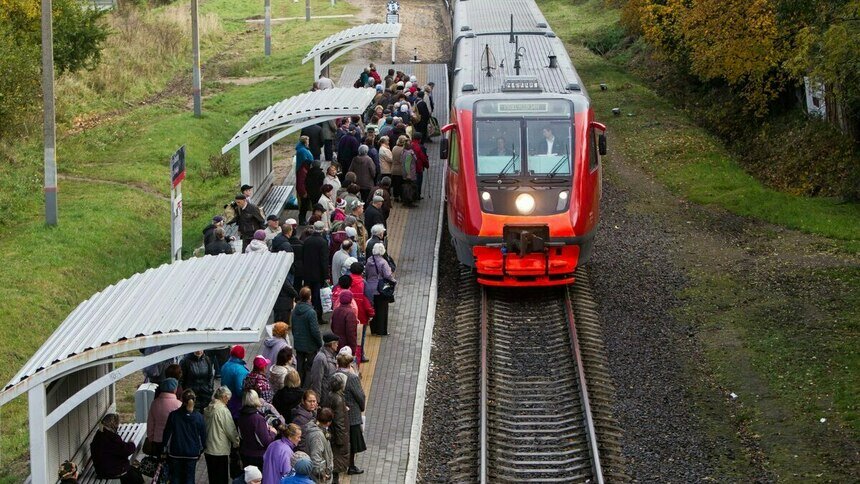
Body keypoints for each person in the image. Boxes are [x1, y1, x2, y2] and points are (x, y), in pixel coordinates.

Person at [163, 390, 207, 484]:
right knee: (190, 478)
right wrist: (202, 449)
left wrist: (164, 448)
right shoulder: (199, 417)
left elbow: (167, 433)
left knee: (175, 477)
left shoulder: (174, 415)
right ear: (194, 401)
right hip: (192, 452)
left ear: (182, 400)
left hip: (176, 451)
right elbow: (203, 435)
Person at [90, 414, 144, 484]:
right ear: (113, 424)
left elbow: (118, 448)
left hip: (102, 469)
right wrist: (132, 444)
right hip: (110, 471)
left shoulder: (100, 434)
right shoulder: (110, 437)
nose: (117, 426)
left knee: (134, 471)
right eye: (117, 424)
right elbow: (127, 450)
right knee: (134, 477)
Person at [336, 354, 366, 475]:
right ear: (349, 364)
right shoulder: (352, 378)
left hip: (339, 413)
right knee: (353, 442)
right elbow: (360, 395)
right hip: (352, 414)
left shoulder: (335, 375)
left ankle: (341, 464)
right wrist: (362, 407)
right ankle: (351, 466)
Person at [204, 386, 240, 484]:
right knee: (222, 478)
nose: (228, 401)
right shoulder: (223, 411)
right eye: (228, 398)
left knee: (212, 477)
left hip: (209, 447)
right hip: (220, 449)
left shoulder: (209, 407)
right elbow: (230, 429)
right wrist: (236, 441)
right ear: (223, 397)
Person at [237, 390, 276, 469]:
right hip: (258, 457)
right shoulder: (257, 418)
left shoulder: (241, 416)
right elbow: (265, 441)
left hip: (246, 453)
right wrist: (273, 433)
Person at [323, 373, 350, 483]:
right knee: (337, 462)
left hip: (331, 433)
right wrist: (341, 440)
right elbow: (339, 422)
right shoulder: (338, 399)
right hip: (337, 437)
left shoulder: (330, 395)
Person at [291, 287, 322, 382]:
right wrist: (319, 343)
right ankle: (308, 387)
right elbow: (315, 330)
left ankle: (298, 384)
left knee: (299, 366)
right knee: (311, 367)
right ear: (310, 297)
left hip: (299, 344)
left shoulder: (295, 310)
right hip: (310, 345)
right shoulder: (311, 312)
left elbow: (293, 327)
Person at [302, 221, 331, 322]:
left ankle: (306, 315)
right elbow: (324, 260)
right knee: (317, 296)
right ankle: (318, 317)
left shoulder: (307, 240)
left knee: (307, 295)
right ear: (322, 229)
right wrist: (326, 275)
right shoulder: (323, 242)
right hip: (318, 274)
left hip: (307, 273)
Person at [146, 377, 182, 456]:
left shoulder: (155, 403)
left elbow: (150, 423)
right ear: (174, 389)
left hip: (158, 439)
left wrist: (151, 438)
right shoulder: (179, 405)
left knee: (160, 464)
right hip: (174, 440)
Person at [366, 243, 395, 336]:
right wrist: (393, 281)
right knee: (382, 310)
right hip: (380, 288)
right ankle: (381, 331)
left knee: (373, 309)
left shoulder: (369, 260)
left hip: (370, 288)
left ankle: (373, 330)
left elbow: (366, 273)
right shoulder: (383, 262)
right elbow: (388, 275)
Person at [304, 408, 334, 484]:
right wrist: (322, 474)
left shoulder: (319, 428)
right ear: (328, 422)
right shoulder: (317, 436)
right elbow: (316, 457)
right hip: (320, 478)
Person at [306, 333, 339, 402]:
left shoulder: (332, 354)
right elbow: (316, 380)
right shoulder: (320, 358)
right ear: (332, 344)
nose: (337, 345)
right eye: (336, 343)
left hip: (329, 393)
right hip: (324, 395)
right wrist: (317, 399)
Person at [220, 345, 250, 417]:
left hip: (225, 398)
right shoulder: (241, 371)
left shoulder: (225, 365)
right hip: (235, 403)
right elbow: (239, 390)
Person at [330, 291, 358, 356]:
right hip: (346, 346)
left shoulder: (336, 310)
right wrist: (353, 349)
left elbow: (332, 326)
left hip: (337, 344)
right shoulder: (350, 313)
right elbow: (351, 333)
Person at [390, 135, 408, 200]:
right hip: (401, 170)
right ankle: (402, 197)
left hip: (394, 169)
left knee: (395, 184)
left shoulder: (394, 148)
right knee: (401, 184)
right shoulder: (404, 150)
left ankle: (396, 197)